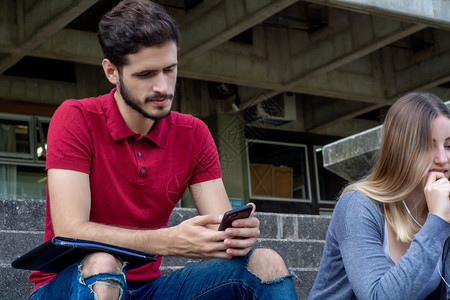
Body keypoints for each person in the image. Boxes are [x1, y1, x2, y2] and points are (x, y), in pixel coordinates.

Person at [27, 0, 297, 299]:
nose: (163, 87)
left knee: (265, 262)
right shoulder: (76, 117)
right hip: (71, 284)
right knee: (103, 263)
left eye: (170, 70)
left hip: (150, 289)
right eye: (146, 75)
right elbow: (70, 230)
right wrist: (167, 241)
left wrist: (236, 237)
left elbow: (218, 229)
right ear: (112, 72)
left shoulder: (193, 133)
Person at [308, 92, 450, 299]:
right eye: (428, 145)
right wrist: (436, 223)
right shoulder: (358, 205)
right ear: (400, 150)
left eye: (448, 145)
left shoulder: (443, 205)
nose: (442, 158)